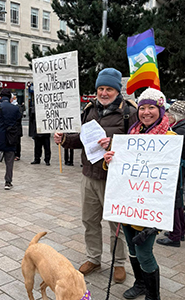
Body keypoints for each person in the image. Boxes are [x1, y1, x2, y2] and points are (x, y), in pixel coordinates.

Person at [54, 68, 137, 283]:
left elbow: (138, 145)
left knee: (116, 224)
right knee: (89, 220)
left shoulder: (129, 112)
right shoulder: (89, 109)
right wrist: (64, 139)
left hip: (115, 179)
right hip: (89, 175)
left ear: (117, 91)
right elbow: (82, 139)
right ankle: (93, 258)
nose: (104, 93)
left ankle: (119, 262)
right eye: (101, 88)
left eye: (109, 89)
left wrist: (114, 143)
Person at [103, 88, 174, 300]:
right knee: (132, 249)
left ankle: (154, 298)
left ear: (161, 110)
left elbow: (174, 177)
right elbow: (120, 170)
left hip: (151, 207)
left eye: (152, 107)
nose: (146, 112)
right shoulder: (131, 135)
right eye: (142, 108)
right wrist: (109, 160)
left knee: (144, 252)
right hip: (129, 204)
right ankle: (141, 284)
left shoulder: (170, 138)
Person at [157, 100, 185, 247]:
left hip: (175, 170)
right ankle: (179, 232)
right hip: (179, 169)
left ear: (177, 115)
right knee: (178, 202)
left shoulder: (180, 130)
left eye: (170, 114)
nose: (168, 116)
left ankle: (175, 236)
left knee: (174, 203)